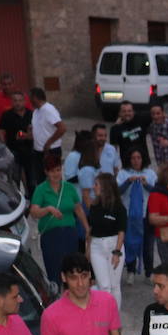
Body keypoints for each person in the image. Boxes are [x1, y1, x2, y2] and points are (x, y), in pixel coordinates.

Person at [29, 155, 89, 286]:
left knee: (72, 272)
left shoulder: (69, 188)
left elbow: (78, 209)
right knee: (54, 274)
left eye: (58, 170)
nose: (56, 174)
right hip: (51, 236)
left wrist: (87, 228)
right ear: (46, 172)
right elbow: (34, 212)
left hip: (69, 235)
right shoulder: (41, 189)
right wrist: (48, 209)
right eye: (52, 171)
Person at [85, 172, 127, 305]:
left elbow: (121, 231)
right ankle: (105, 319)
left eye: (96, 184)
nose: (93, 187)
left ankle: (115, 320)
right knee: (104, 286)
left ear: (105, 187)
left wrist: (117, 252)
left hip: (114, 245)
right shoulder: (94, 206)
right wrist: (88, 248)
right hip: (96, 246)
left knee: (114, 286)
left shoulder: (119, 208)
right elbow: (91, 230)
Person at [117, 148, 156, 280]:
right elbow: (118, 192)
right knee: (131, 243)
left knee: (148, 245)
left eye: (138, 157)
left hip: (147, 214)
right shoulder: (123, 173)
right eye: (133, 158)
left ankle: (149, 272)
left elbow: (156, 191)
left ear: (143, 158)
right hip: (129, 215)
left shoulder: (150, 173)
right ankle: (131, 271)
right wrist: (128, 182)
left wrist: (146, 185)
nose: (136, 160)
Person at [28, 86, 65, 192]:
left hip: (51, 150)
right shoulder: (36, 112)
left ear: (35, 98)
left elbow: (62, 128)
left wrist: (49, 143)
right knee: (40, 180)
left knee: (54, 179)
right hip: (38, 151)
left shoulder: (48, 110)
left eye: (30, 98)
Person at [0, 91, 34, 185]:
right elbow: (1, 130)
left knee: (32, 178)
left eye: (20, 100)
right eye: (15, 101)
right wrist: (4, 145)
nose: (18, 103)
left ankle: (30, 196)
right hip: (13, 150)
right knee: (15, 178)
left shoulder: (31, 114)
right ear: (12, 102)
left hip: (29, 150)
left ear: (24, 101)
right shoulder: (7, 115)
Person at [63, 129, 100, 209]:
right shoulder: (73, 156)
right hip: (78, 198)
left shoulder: (87, 156)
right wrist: (86, 175)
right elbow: (69, 179)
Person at [110, 102, 149, 169]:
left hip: (143, 163)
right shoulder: (115, 128)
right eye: (124, 111)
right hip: (127, 165)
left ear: (133, 112)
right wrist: (114, 165)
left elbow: (157, 112)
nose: (127, 113)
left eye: (129, 111)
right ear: (120, 113)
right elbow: (113, 149)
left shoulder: (141, 120)